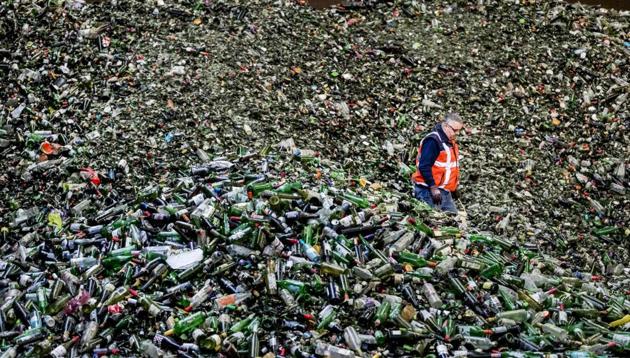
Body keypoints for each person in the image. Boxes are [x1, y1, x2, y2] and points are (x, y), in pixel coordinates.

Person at [411, 113, 463, 213]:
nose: (457, 134)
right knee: (434, 222)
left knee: (453, 221)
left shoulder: (449, 142)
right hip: (428, 191)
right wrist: (433, 187)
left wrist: (453, 187)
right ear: (446, 126)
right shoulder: (433, 141)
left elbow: (449, 167)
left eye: (459, 131)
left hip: (444, 192)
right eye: (455, 130)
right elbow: (424, 166)